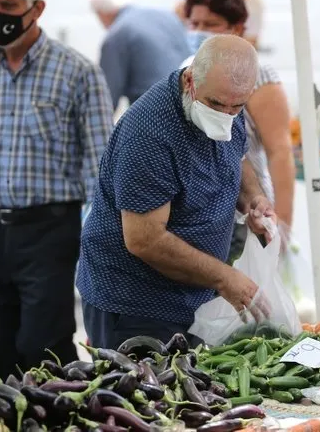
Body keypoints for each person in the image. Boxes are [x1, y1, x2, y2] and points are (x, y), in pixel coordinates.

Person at [0, 0, 114, 381]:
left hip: (49, 232)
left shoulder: (79, 73)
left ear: (36, 9)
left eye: (7, 4)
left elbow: (101, 165)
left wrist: (106, 236)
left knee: (43, 345)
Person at [76, 35, 275, 348]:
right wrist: (223, 278)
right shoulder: (149, 136)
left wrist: (254, 200)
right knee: (147, 394)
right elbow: (145, 239)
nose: (225, 114)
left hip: (193, 293)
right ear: (189, 80)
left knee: (197, 390)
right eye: (215, 104)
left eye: (236, 107)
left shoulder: (228, 101)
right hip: (134, 304)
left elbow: (236, 155)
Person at [180, 0, 295, 262]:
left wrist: (283, 224)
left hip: (247, 214)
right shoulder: (188, 70)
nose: (199, 31)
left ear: (237, 29)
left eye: (211, 24)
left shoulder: (259, 76)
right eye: (194, 23)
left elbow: (280, 152)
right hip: (200, 214)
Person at [90, 0, 190, 109]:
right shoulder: (167, 16)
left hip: (152, 112)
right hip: (188, 102)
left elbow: (107, 97)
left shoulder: (117, 34)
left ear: (101, 13)